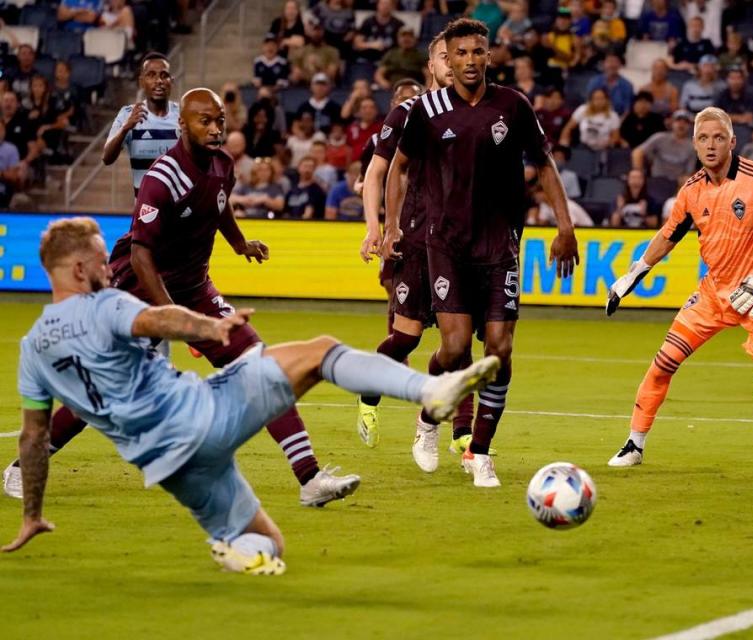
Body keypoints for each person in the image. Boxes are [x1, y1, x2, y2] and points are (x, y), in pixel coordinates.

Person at [4, 216, 499, 572]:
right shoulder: (104, 304)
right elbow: (159, 317)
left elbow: (32, 439)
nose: (110, 268)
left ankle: (229, 548)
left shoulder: (33, 350)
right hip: (199, 417)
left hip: (171, 468)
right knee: (320, 352)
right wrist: (211, 327)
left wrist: (31, 515)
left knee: (269, 546)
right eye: (98, 259)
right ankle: (429, 389)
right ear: (75, 270)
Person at [2, 89, 355, 508]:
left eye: (220, 121)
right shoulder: (161, 178)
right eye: (205, 121)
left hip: (195, 289)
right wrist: (170, 316)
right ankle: (24, 466)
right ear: (182, 126)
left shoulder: (223, 165)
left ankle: (310, 478)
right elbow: (140, 256)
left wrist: (240, 244)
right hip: (138, 292)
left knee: (259, 368)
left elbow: (219, 206)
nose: (215, 128)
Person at [384, 19, 579, 487]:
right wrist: (391, 225)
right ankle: (430, 416)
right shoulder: (427, 110)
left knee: (499, 349)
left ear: (489, 55)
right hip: (445, 244)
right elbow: (398, 167)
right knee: (453, 348)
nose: (470, 60)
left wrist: (565, 225)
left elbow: (545, 165)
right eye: (461, 53)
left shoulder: (512, 105)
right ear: (446, 60)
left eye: (478, 51)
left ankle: (480, 451)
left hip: (499, 245)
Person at [605, 106, 753, 466]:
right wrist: (632, 275)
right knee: (662, 364)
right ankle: (634, 444)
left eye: (719, 137)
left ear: (733, 141)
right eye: (703, 138)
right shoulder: (690, 192)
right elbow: (668, 236)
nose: (711, 145)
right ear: (694, 145)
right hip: (712, 296)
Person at [357, 38, 478, 459]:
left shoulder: (477, 114)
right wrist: (378, 227)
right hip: (414, 238)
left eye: (461, 55)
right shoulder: (407, 113)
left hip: (461, 243)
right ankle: (369, 390)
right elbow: (377, 172)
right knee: (404, 339)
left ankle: (463, 432)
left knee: (459, 341)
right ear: (431, 64)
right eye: (446, 56)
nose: (453, 64)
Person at [103, 53, 179, 196]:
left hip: (180, 211)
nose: (159, 81)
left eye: (164, 75)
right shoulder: (127, 114)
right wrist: (125, 128)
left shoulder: (183, 116)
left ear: (171, 81)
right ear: (141, 82)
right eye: (151, 75)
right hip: (145, 211)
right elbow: (107, 158)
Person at [632, 110, 697, 183]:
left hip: (676, 184)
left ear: (690, 126)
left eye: (686, 122)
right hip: (655, 180)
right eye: (678, 121)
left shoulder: (692, 147)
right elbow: (637, 152)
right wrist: (639, 172)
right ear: (672, 123)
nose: (681, 124)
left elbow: (689, 172)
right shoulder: (660, 138)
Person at [559, 87, 622, 152]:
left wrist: (607, 143)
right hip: (584, 146)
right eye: (596, 98)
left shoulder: (613, 115)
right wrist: (564, 145)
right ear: (591, 100)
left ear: (607, 100)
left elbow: (616, 137)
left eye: (602, 98)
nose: (599, 101)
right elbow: (567, 129)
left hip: (604, 148)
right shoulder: (582, 109)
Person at [585, 52, 634, 117]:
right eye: (609, 61)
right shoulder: (594, 82)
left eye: (615, 61)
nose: (612, 65)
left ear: (620, 65)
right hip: (595, 118)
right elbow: (588, 103)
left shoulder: (627, 86)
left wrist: (617, 124)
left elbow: (627, 111)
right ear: (603, 64)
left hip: (618, 121)